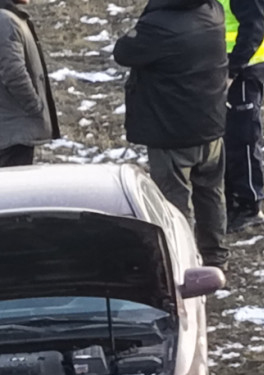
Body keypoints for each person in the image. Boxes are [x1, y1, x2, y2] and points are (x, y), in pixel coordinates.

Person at [113, 0, 229, 268]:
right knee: (211, 193)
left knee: (174, 204)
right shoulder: (213, 11)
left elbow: (123, 52)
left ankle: (181, 262)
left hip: (172, 131)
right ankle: (216, 256)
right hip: (210, 123)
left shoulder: (158, 26)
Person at [0, 0, 60, 167]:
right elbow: (14, 74)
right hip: (15, 127)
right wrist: (35, 106)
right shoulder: (3, 21)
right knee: (15, 190)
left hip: (15, 127)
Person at [219, 0, 264, 232]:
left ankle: (249, 204)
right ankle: (231, 200)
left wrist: (233, 70)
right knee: (227, 134)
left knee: (243, 137)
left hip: (242, 66)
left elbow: (253, 27)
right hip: (225, 62)